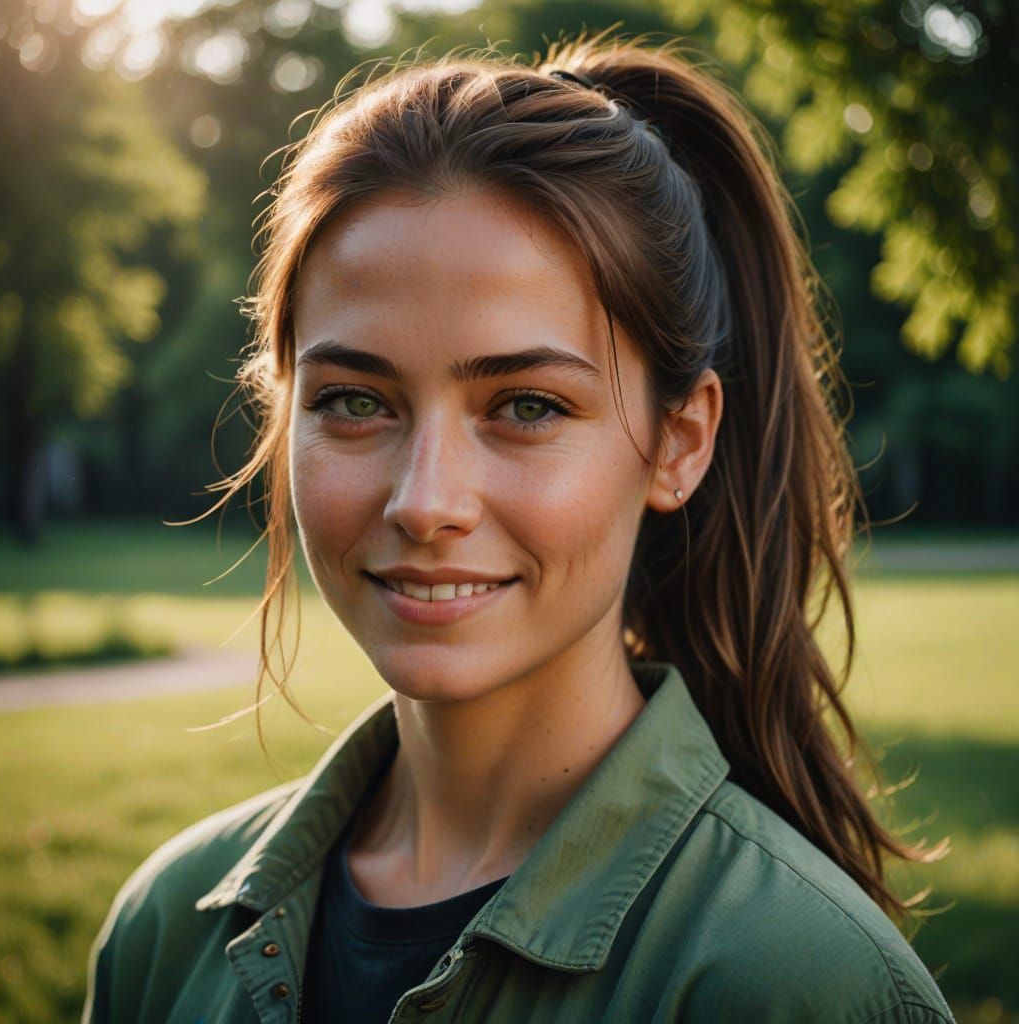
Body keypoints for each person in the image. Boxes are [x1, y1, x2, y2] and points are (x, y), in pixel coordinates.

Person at [82, 29, 955, 1024]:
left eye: (527, 405)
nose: (424, 499)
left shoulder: (796, 982)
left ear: (679, 440)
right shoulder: (161, 933)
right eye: (355, 401)